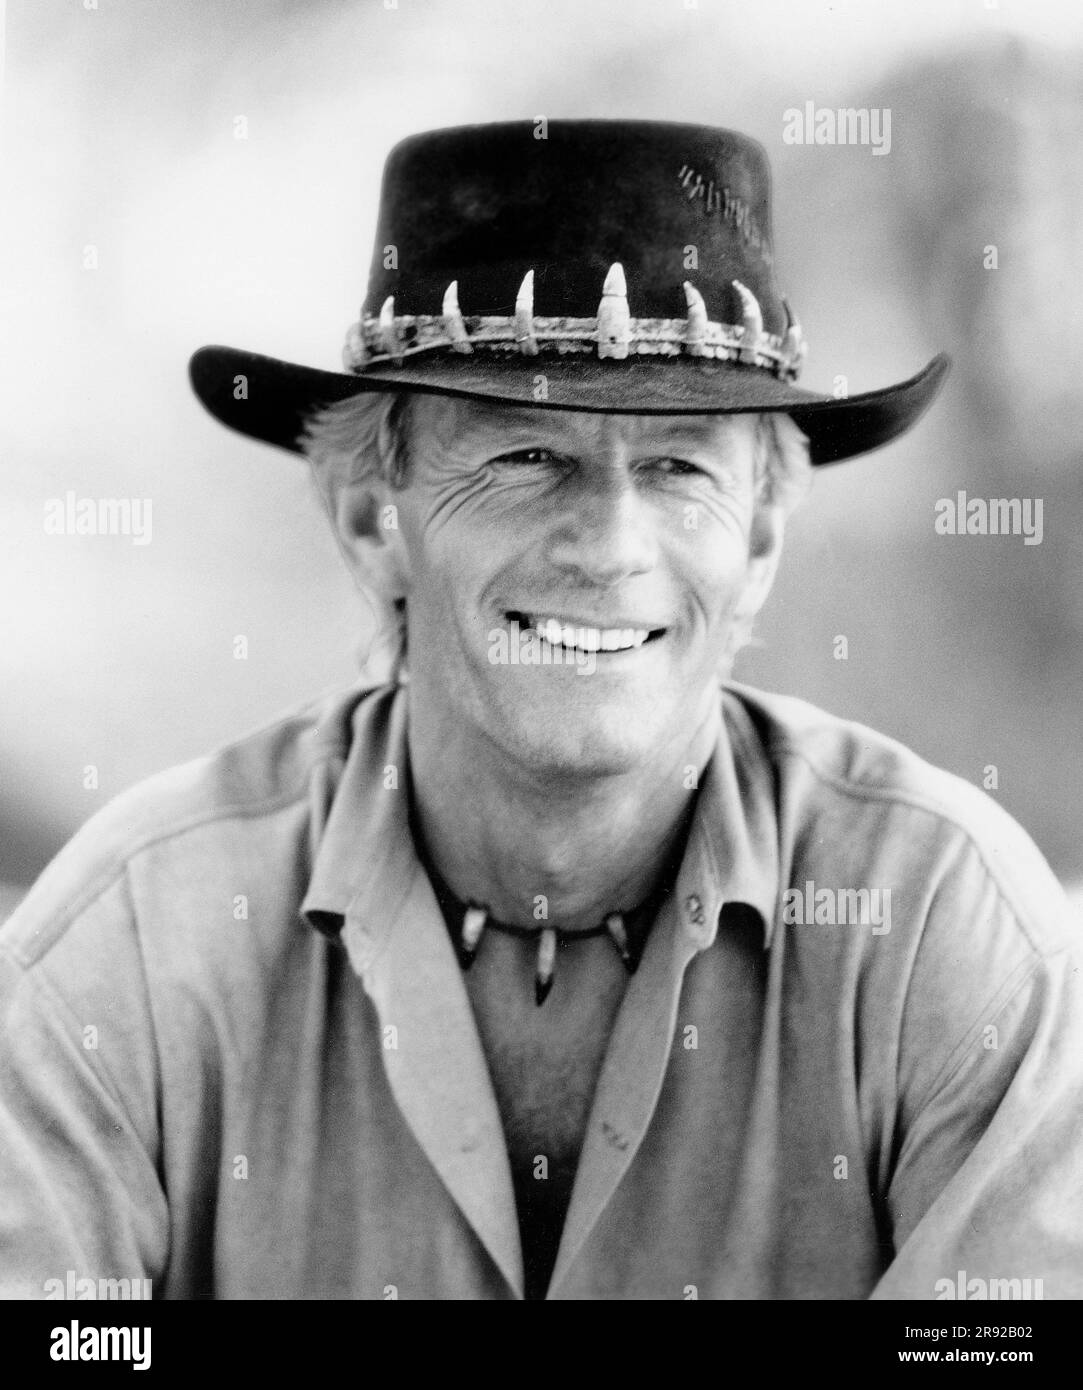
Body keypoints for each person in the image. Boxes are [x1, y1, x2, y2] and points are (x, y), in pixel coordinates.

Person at [2, 120, 1079, 1302]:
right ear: (375, 523)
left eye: (680, 468)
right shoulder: (134, 938)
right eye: (524, 457)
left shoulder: (939, 922)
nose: (612, 548)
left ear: (759, 539)